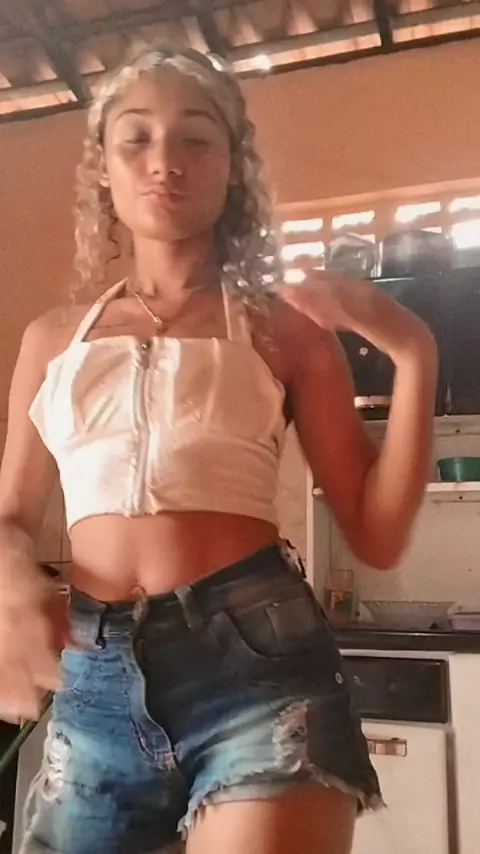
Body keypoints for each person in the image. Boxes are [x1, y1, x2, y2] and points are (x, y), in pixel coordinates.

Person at [0, 45, 437, 854]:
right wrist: (9, 582)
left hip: (260, 674)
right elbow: (10, 516)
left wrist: (414, 352)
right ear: (103, 170)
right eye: (137, 139)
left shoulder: (286, 330)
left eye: (196, 139)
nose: (165, 161)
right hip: (93, 683)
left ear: (233, 169)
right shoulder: (52, 339)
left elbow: (376, 536)